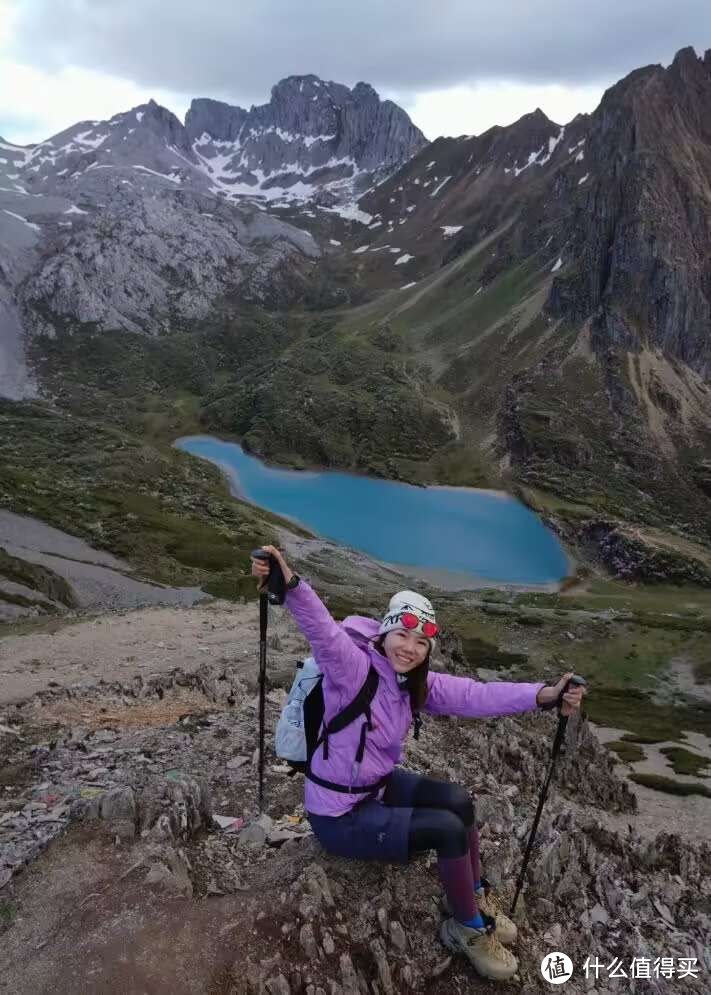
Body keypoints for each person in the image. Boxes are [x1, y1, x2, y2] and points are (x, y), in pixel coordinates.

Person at [251, 546, 585, 983]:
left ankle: (473, 896)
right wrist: (291, 584)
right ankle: (464, 929)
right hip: (338, 814)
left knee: (459, 801)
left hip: (374, 787)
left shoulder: (413, 681)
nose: (410, 648)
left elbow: (474, 695)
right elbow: (323, 631)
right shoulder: (350, 668)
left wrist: (543, 695)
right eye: (402, 636)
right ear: (385, 633)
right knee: (446, 830)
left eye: (421, 641)